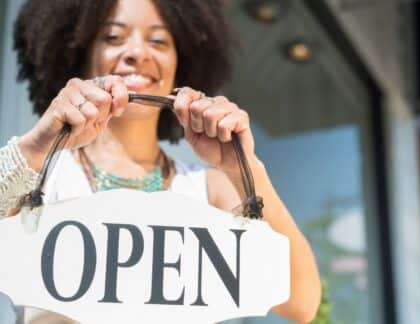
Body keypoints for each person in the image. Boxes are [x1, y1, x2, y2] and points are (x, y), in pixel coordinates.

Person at [0, 0, 321, 322]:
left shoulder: (211, 189)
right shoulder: (40, 175)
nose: (137, 53)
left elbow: (301, 303)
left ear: (180, 65)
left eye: (158, 41)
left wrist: (243, 166)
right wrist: (38, 144)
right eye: (113, 37)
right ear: (80, 56)